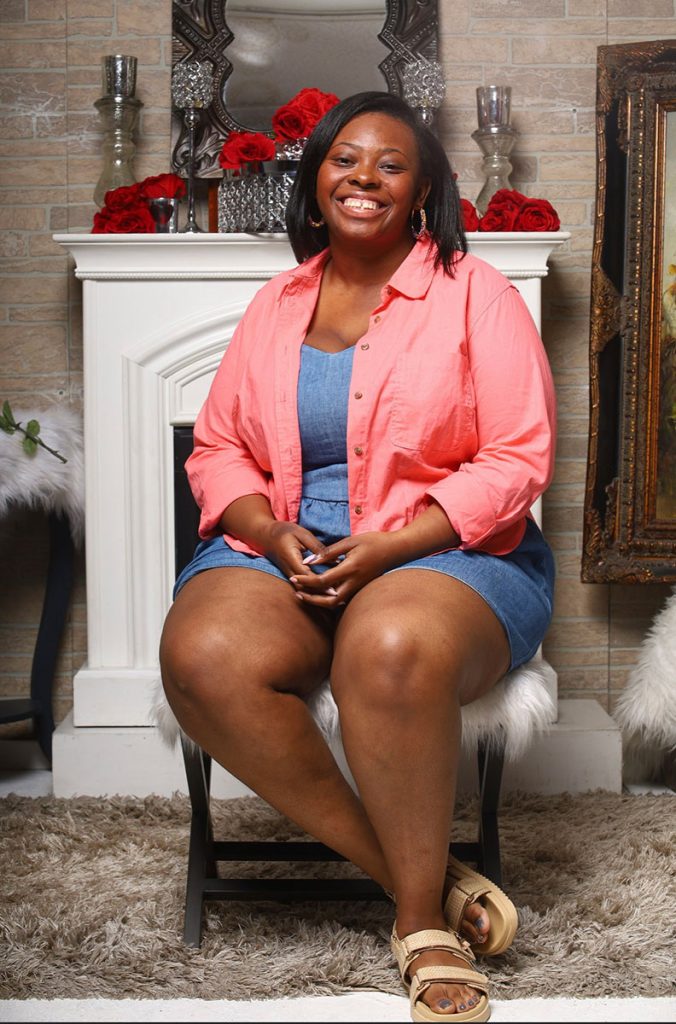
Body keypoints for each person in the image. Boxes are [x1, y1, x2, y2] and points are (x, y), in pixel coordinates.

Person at [160, 91, 556, 1023]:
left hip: (448, 548)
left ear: (423, 193)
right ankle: (423, 873)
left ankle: (421, 926)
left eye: (389, 163)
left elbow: (516, 458)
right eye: (344, 160)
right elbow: (218, 447)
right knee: (203, 656)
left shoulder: (476, 294)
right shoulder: (278, 302)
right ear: (316, 180)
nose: (362, 177)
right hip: (293, 543)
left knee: (385, 645)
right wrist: (265, 531)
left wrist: (390, 545)